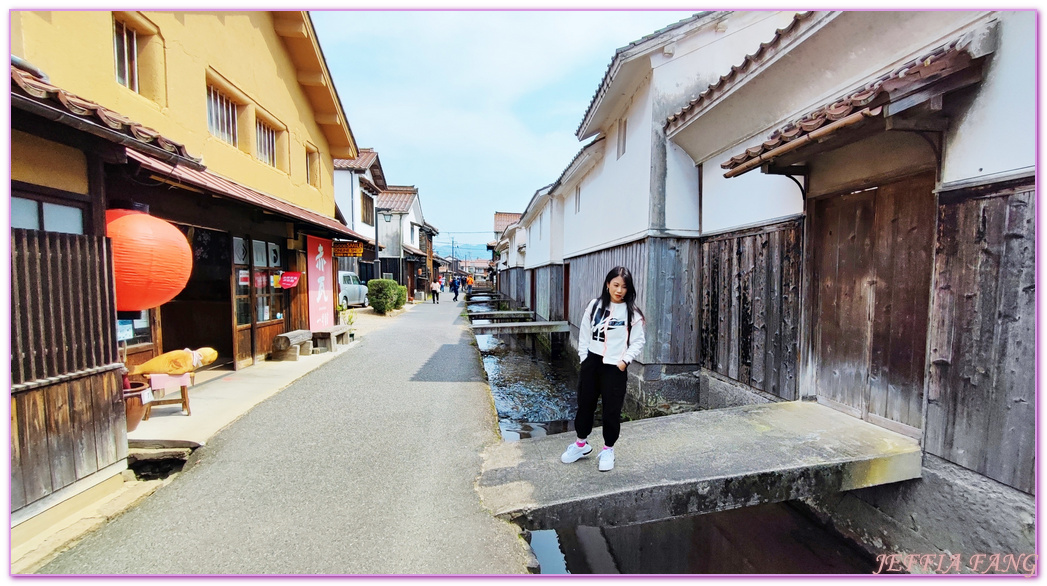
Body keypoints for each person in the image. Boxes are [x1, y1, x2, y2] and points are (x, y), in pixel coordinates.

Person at [561, 266, 645, 472]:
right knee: (585, 404)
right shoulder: (594, 306)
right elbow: (585, 333)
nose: (619, 290)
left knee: (611, 410)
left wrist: (624, 361)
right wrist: (584, 358)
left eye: (624, 287)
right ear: (607, 284)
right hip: (592, 362)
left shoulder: (632, 313)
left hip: (615, 367)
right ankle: (581, 444)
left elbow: (638, 341)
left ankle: (608, 449)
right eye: (615, 285)